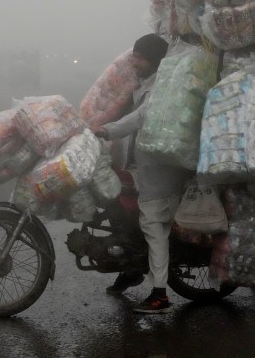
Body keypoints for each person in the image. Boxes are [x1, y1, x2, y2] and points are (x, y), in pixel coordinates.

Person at [93, 33, 190, 314]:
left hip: (160, 172)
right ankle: (132, 268)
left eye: (139, 57)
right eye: (133, 55)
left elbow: (141, 117)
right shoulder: (145, 82)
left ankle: (160, 295)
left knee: (153, 225)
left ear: (153, 60)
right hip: (140, 166)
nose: (134, 61)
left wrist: (106, 130)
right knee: (119, 206)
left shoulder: (163, 86)